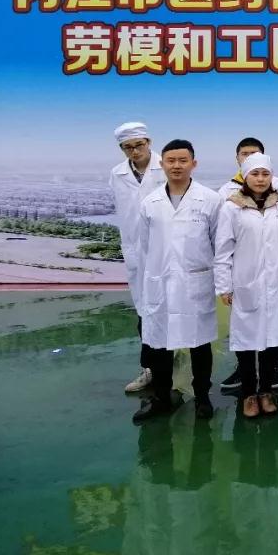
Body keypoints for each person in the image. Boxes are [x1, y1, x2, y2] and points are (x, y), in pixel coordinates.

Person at [133, 139, 223, 423]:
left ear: (193, 164)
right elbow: (144, 247)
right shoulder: (150, 203)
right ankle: (161, 398)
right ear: (162, 164)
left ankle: (202, 397)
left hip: (195, 283)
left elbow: (219, 245)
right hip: (159, 282)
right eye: (171, 161)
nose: (176, 166)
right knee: (159, 344)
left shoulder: (210, 200)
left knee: (199, 343)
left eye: (183, 160)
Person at [214, 153, 278, 418]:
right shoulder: (232, 207)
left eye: (265, 174)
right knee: (246, 342)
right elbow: (223, 250)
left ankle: (267, 392)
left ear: (272, 176)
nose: (260, 179)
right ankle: (249, 394)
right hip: (245, 284)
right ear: (245, 176)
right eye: (255, 174)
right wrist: (224, 286)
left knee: (274, 341)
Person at [108, 121, 167, 394]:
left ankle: (180, 374)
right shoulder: (117, 174)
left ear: (149, 142)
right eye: (127, 147)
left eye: (139, 145)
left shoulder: (166, 166)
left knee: (175, 313)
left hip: (167, 251)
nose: (134, 151)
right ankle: (150, 370)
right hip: (136, 253)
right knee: (145, 313)